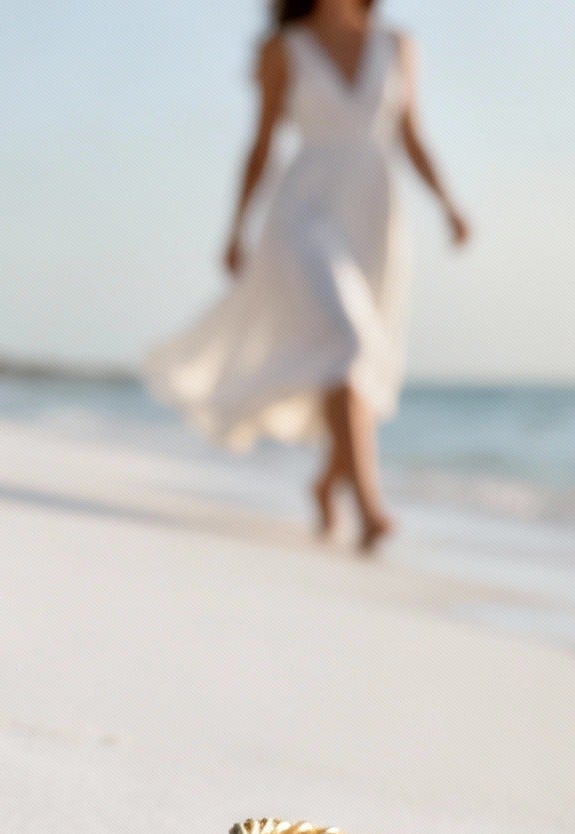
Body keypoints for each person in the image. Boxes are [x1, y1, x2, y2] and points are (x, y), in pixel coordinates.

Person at [145, 0, 469, 551]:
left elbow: (410, 132)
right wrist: (236, 227)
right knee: (347, 339)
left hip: (375, 217)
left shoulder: (398, 45)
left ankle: (325, 483)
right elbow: (263, 141)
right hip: (306, 214)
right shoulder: (284, 49)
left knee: (356, 358)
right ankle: (370, 509)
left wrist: (448, 204)